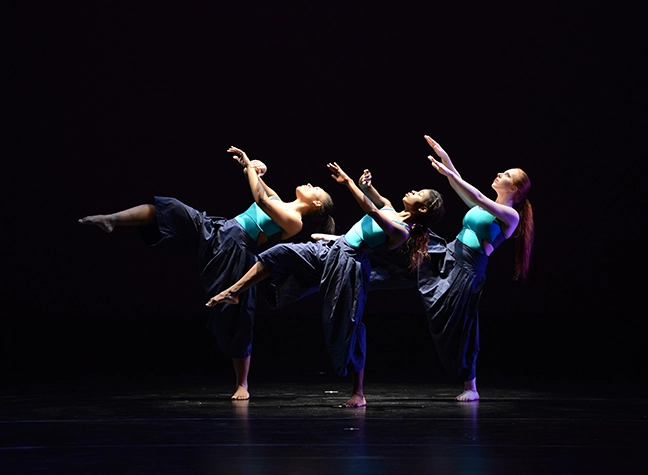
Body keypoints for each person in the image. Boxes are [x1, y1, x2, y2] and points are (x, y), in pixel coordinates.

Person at [78, 146, 334, 400]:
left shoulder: (295, 222)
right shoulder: (280, 198)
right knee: (172, 209)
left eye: (316, 188)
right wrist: (252, 165)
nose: (311, 183)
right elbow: (255, 180)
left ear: (316, 203)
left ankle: (242, 384)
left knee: (237, 315)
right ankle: (111, 219)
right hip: (220, 230)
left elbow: (260, 200)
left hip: (237, 251)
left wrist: (254, 170)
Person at [207, 162, 445, 407]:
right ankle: (233, 292)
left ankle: (358, 393)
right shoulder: (389, 206)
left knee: (347, 324)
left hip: (349, 264)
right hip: (333, 249)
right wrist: (365, 184)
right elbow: (372, 196)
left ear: (423, 209)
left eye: (418, 195)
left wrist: (350, 183)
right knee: (280, 253)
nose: (412, 192)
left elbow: (371, 210)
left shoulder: (402, 231)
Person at [417, 135, 534, 402]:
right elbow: (462, 186)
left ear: (514, 189)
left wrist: (451, 173)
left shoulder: (510, 215)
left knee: (465, 325)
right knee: (411, 245)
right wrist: (445, 158)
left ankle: (471, 386)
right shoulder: (483, 207)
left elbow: (477, 195)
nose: (498, 173)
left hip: (468, 268)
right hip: (450, 253)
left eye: (506, 174)